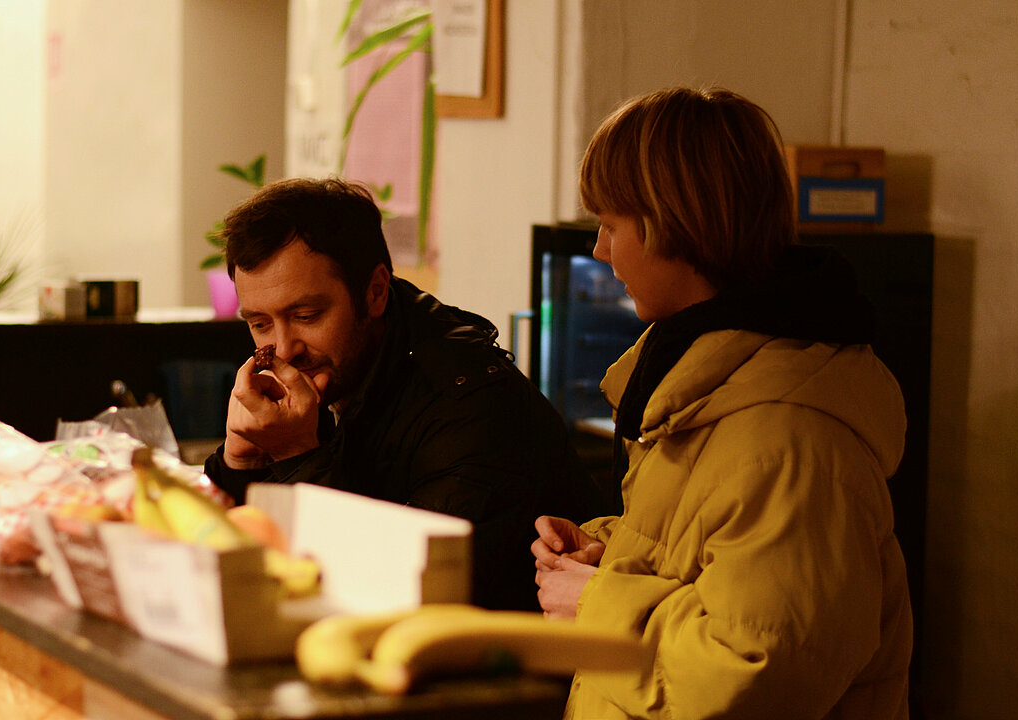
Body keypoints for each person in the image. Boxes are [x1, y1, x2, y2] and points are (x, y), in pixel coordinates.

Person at [531, 87, 913, 719]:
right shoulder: (710, 383)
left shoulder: (791, 441)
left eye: (610, 225)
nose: (599, 251)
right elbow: (710, 557)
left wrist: (597, 603)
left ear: (672, 222)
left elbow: (757, 671)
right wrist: (606, 550)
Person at [203, 176, 609, 611]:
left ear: (375, 291)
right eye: (260, 323)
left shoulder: (471, 404)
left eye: (306, 314)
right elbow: (233, 577)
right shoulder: (326, 379)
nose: (284, 348)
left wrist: (297, 458)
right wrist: (241, 461)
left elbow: (408, 594)